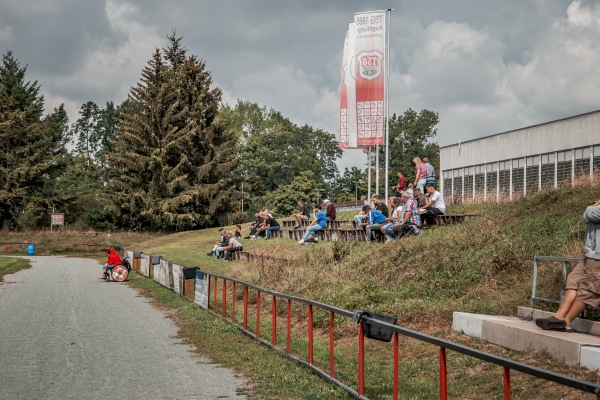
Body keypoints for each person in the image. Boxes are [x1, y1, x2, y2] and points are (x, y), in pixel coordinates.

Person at [535, 200, 600, 332]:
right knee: (573, 279)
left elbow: (595, 214)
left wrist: (589, 209)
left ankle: (566, 321)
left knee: (589, 289)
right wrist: (590, 211)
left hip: (598, 256)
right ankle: (558, 317)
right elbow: (587, 216)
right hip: (590, 253)